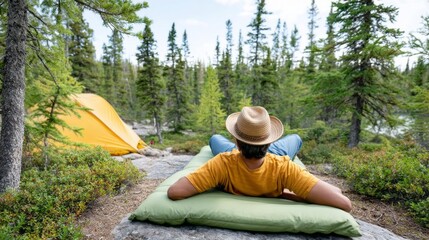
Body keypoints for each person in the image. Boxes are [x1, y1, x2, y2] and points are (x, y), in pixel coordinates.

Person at [167, 106, 352, 212]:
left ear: (237, 142)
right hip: (274, 156)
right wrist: (289, 193)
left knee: (214, 139)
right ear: (269, 141)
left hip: (237, 156)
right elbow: (343, 202)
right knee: (295, 138)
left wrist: (214, 182)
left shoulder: (222, 163)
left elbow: (175, 191)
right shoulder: (285, 168)